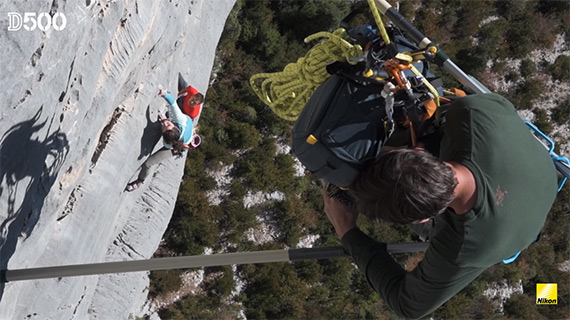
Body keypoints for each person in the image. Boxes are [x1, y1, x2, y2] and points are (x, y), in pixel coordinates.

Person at [324, 93, 558, 319]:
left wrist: (348, 232)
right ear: (417, 153)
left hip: (515, 228)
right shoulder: (471, 113)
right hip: (541, 177)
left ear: (424, 220)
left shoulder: (463, 247)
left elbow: (408, 305)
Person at [125, 89, 195, 192]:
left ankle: (139, 181)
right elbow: (173, 103)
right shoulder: (181, 120)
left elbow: (168, 143)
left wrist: (165, 122)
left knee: (148, 164)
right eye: (168, 125)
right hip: (185, 125)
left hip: (179, 146)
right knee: (172, 112)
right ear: (175, 127)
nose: (166, 124)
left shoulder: (168, 144)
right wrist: (163, 93)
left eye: (166, 126)